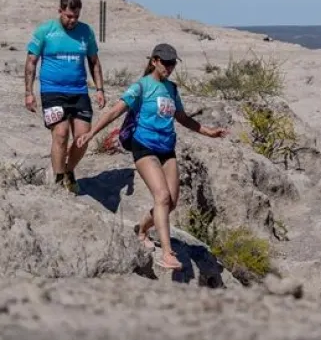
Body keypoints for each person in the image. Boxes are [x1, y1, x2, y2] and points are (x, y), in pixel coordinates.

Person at [76, 43, 227, 270]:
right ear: (154, 61)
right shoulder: (141, 87)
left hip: (167, 148)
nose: (169, 67)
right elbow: (116, 110)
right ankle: (167, 253)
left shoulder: (172, 89)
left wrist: (208, 131)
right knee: (162, 196)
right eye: (165, 62)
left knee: (171, 202)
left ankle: (143, 229)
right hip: (144, 145)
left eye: (172, 63)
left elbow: (183, 118)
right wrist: (91, 133)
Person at [24, 0, 106, 193]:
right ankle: (59, 180)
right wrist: (29, 92)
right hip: (52, 91)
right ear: (60, 11)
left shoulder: (86, 32)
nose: (72, 21)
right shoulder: (45, 31)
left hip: (79, 91)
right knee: (61, 135)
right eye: (69, 16)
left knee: (83, 137)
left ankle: (69, 171)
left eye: (76, 16)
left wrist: (100, 89)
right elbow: (31, 63)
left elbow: (94, 62)